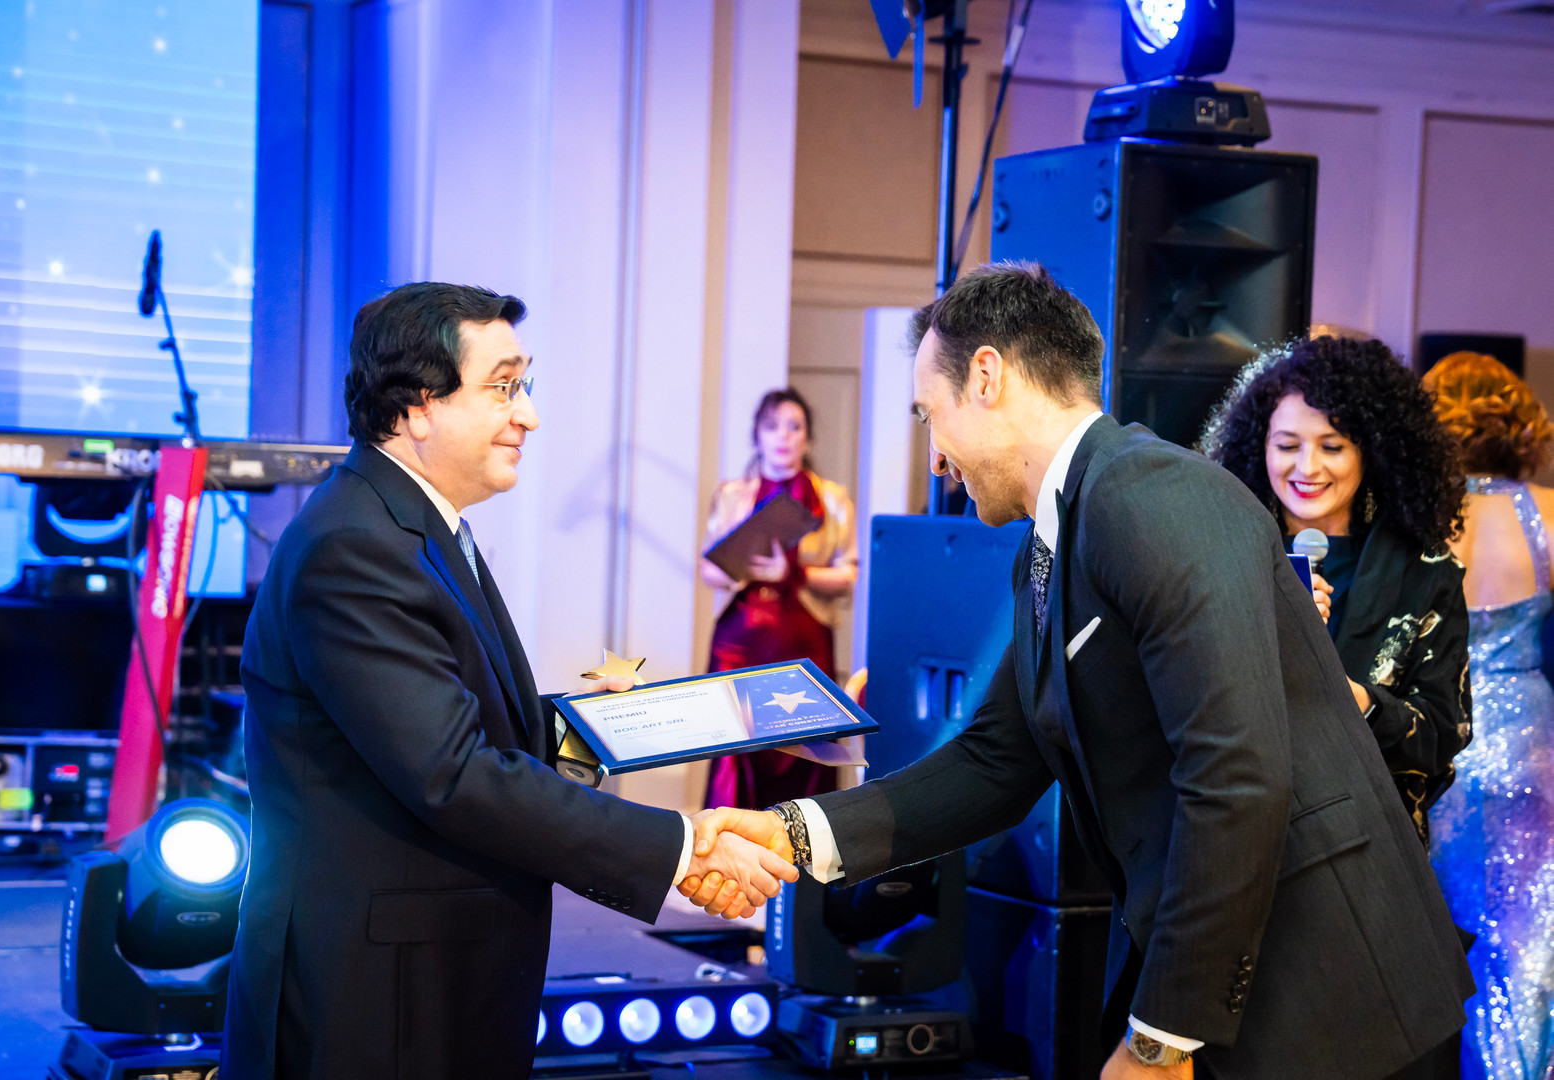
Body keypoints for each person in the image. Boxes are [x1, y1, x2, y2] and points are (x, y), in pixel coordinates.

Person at [687, 263, 1473, 1080]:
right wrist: (790, 832)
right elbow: (994, 760)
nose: (936, 458)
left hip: (1333, 997)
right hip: (1240, 984)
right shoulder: (1049, 543)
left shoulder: (1155, 494)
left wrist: (1161, 1038)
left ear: (986, 377)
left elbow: (1237, 777)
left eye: (930, 415)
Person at [221, 283, 796, 1080]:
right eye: (503, 387)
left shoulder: (414, 526)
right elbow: (453, 776)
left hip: (427, 973)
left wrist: (590, 730)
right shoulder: (354, 547)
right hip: (375, 994)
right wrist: (678, 848)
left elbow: (454, 730)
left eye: (524, 385)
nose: (528, 414)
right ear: (419, 407)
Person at [1204, 336, 1471, 847]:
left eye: (1332, 447)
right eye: (1287, 446)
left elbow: (1444, 732)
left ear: (1371, 452)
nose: (1307, 468)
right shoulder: (1217, 550)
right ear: (1259, 446)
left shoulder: (1425, 572)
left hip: (1371, 849)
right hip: (1239, 838)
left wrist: (1359, 701)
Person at [1424, 351, 1554, 1080]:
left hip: (1442, 737)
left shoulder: (1419, 518)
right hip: (1529, 739)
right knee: (1522, 948)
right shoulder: (1546, 511)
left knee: (1440, 940)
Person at [699, 387, 857, 809]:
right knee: (735, 754)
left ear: (808, 438)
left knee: (810, 752)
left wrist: (794, 574)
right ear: (757, 435)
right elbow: (708, 569)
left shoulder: (832, 499)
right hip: (739, 645)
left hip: (804, 643)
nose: (783, 436)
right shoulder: (732, 495)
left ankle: (806, 848)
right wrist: (743, 564)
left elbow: (848, 576)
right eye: (772, 426)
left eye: (794, 426)